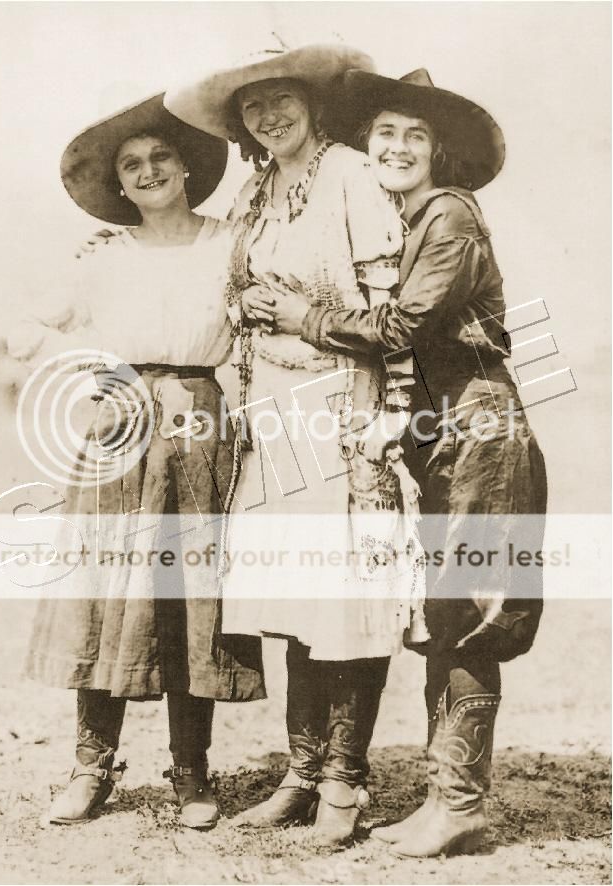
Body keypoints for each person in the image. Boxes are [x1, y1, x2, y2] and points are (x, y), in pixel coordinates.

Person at [267, 68, 547, 856]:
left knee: (467, 619)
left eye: (412, 135)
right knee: (446, 616)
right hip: (445, 434)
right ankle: (444, 799)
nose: (394, 146)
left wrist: (303, 314)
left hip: (481, 434)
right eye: (383, 133)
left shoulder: (450, 217)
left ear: (439, 150)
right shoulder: (413, 219)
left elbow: (402, 324)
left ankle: (458, 804)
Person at [165, 43, 427, 848]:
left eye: (281, 99)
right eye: (252, 107)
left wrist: (392, 411)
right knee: (297, 601)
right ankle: (301, 775)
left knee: (345, 600)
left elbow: (388, 309)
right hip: (271, 410)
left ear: (311, 104)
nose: (268, 116)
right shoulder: (256, 189)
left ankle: (345, 784)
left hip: (343, 401)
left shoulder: (350, 172)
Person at [7, 94, 265, 830]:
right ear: (118, 184)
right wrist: (95, 372)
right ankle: (91, 768)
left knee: (189, 599)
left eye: (160, 157)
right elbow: (26, 328)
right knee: (105, 593)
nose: (149, 170)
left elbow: (255, 330)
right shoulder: (101, 255)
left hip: (199, 421)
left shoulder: (229, 242)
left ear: (187, 165)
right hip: (118, 429)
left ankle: (191, 776)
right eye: (131, 164)